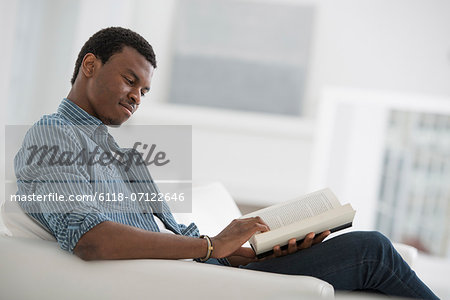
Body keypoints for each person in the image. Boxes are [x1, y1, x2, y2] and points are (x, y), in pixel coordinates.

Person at [14, 27, 439, 299]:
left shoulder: (123, 156)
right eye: (130, 80)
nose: (136, 97)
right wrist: (213, 247)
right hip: (190, 281)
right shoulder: (52, 137)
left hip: (209, 266)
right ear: (90, 65)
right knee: (373, 251)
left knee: (367, 250)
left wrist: (251, 251)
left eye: (143, 90)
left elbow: (174, 235)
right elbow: (91, 239)